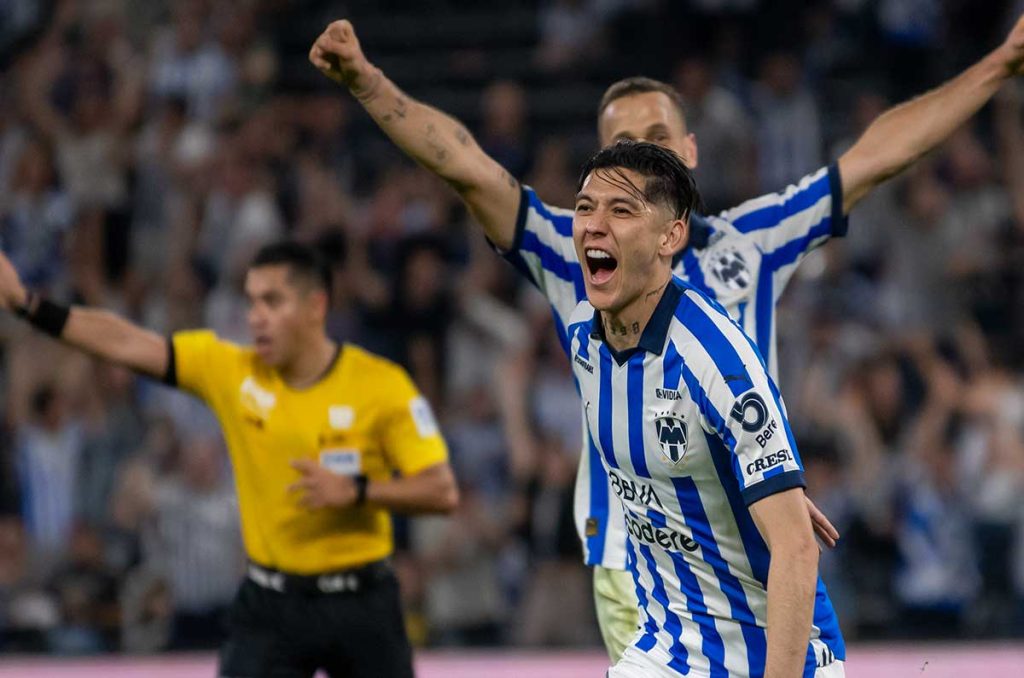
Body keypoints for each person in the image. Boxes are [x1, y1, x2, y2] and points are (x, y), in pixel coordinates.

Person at [308, 13, 1024, 661]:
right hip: (635, 556)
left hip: (750, 533)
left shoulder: (754, 242)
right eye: (621, 147)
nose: (642, 156)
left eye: (656, 140)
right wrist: (369, 84)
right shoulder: (570, 246)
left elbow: (877, 154)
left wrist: (998, 64)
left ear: (688, 150)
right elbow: (464, 165)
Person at [0, 240, 458, 677]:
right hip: (272, 601)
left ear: (316, 306)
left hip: (363, 601)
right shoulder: (232, 372)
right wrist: (27, 304)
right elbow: (127, 343)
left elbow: (441, 491)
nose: (256, 318)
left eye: (272, 302)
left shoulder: (381, 385)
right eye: (252, 302)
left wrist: (357, 491)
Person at [574, 139, 843, 675]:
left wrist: (773, 496)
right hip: (665, 651)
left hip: (773, 655)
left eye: (621, 210)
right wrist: (741, 485)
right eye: (585, 207)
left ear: (671, 236)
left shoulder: (718, 363)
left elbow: (795, 549)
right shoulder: (588, 343)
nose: (593, 225)